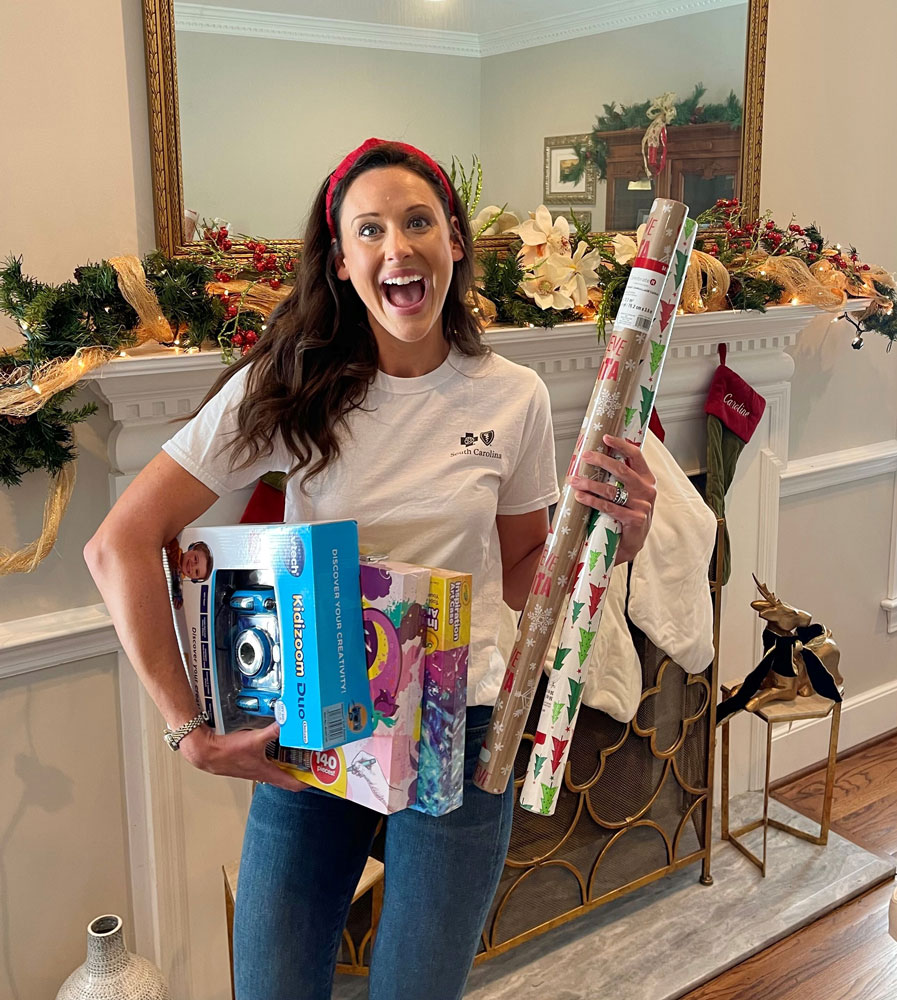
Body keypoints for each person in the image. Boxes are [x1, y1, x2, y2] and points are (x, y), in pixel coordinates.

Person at [84, 138, 658, 1000]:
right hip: (318, 729)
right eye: (371, 230)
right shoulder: (290, 385)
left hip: (459, 732)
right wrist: (186, 728)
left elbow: (520, 572)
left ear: (454, 241)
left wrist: (620, 536)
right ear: (345, 262)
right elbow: (117, 543)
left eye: (418, 220)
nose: (398, 245)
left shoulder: (513, 397)